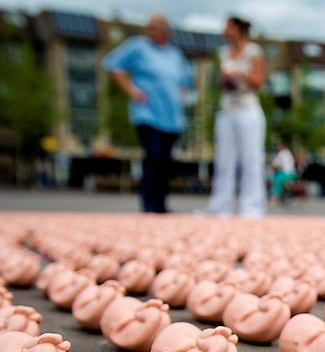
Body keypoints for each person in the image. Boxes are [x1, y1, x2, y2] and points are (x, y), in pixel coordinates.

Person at [103, 14, 192, 213]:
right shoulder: (137, 46)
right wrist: (131, 90)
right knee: (153, 154)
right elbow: (113, 65)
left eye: (154, 27)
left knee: (166, 161)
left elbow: (186, 80)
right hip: (148, 114)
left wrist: (179, 96)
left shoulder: (174, 54)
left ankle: (161, 203)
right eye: (148, 27)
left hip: (172, 118)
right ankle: (149, 203)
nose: (149, 31)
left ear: (165, 30)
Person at [205, 16, 266, 217]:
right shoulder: (223, 53)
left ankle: (252, 208)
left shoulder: (254, 51)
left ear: (238, 29)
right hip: (227, 109)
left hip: (248, 108)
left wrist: (240, 74)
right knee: (224, 159)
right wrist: (226, 79)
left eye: (228, 26)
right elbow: (223, 82)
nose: (224, 30)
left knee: (251, 158)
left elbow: (258, 81)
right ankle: (219, 206)